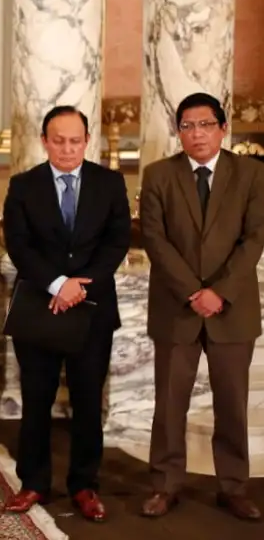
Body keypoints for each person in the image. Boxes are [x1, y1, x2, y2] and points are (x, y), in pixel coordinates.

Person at [2, 105, 131, 522]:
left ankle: (84, 485)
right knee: (36, 401)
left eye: (75, 140)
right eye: (58, 140)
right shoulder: (24, 185)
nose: (67, 148)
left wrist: (80, 285)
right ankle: (33, 482)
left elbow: (116, 242)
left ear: (87, 141)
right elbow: (19, 245)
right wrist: (57, 284)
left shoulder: (110, 183)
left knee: (88, 400)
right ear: (44, 141)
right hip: (41, 307)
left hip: (93, 311)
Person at [139, 92, 264, 521]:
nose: (197, 133)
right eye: (188, 126)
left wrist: (220, 292)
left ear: (223, 128)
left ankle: (233, 487)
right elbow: (155, 239)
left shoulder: (251, 174)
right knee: (170, 404)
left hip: (233, 309)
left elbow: (254, 239)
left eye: (206, 124)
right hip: (177, 307)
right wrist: (194, 291)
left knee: (231, 403)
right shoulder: (158, 175)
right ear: (178, 132)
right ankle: (164, 485)